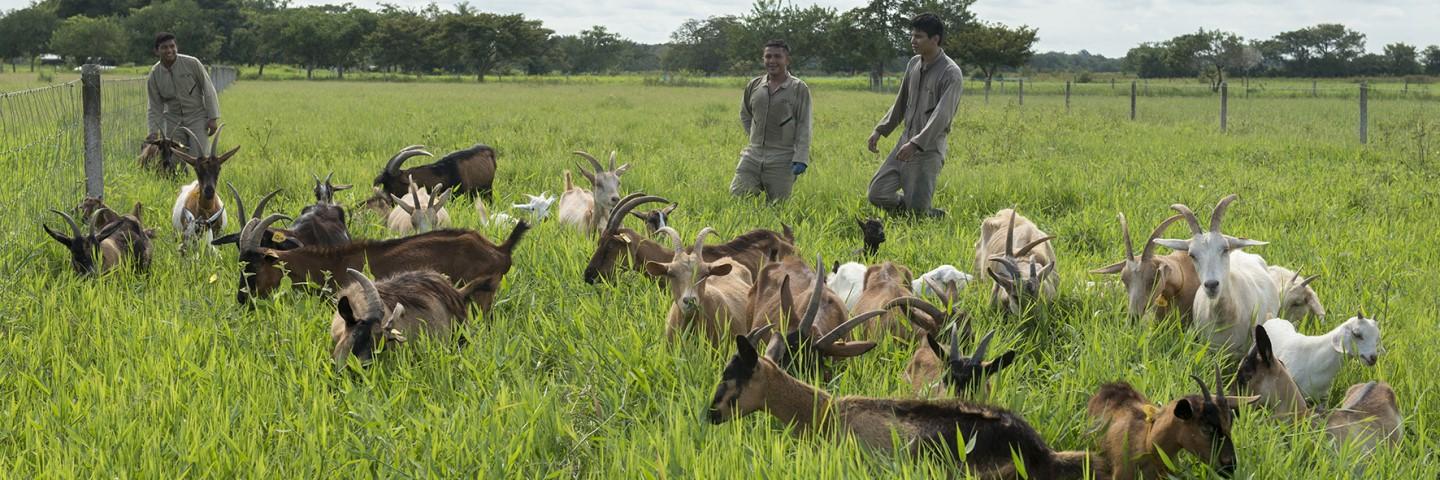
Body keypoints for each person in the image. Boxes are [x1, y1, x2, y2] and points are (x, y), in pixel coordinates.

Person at [866, 13, 963, 218]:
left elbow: (941, 116)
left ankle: (929, 215)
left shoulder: (950, 73)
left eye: (918, 36)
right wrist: (880, 130)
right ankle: (914, 211)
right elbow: (901, 102)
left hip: (927, 149)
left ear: (935, 39)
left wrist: (917, 144)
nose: (913, 41)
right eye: (912, 35)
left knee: (917, 215)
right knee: (877, 192)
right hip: (905, 141)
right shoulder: (913, 64)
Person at [730, 39, 813, 203]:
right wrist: (755, 136)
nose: (772, 61)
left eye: (777, 56)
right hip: (752, 155)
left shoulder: (798, 88)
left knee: (778, 206)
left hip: (783, 158)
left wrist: (801, 157)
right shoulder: (754, 85)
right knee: (738, 197)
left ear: (787, 60)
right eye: (768, 56)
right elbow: (745, 114)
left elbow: (805, 124)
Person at [147, 32, 220, 150]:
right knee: (175, 158)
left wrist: (213, 118)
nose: (169, 50)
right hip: (173, 120)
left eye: (172, 46)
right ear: (156, 51)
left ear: (176, 47)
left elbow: (208, 89)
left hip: (197, 116)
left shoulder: (192, 63)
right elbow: (154, 106)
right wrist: (153, 131)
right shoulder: (155, 74)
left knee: (200, 156)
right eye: (164, 47)